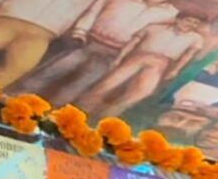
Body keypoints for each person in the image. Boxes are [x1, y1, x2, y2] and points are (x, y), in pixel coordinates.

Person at [14, 0, 180, 104]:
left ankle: (53, 109)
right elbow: (90, 12)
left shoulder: (171, 16)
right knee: (56, 68)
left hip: (115, 54)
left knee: (83, 82)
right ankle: (18, 95)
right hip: (88, 43)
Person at [77, 11, 207, 118]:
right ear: (178, 19)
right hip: (138, 57)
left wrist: (175, 70)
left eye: (196, 23)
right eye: (188, 20)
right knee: (109, 83)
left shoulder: (196, 38)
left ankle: (107, 116)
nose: (191, 24)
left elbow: (187, 56)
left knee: (142, 92)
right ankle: (82, 108)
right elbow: (132, 43)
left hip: (160, 63)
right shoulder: (154, 27)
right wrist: (120, 58)